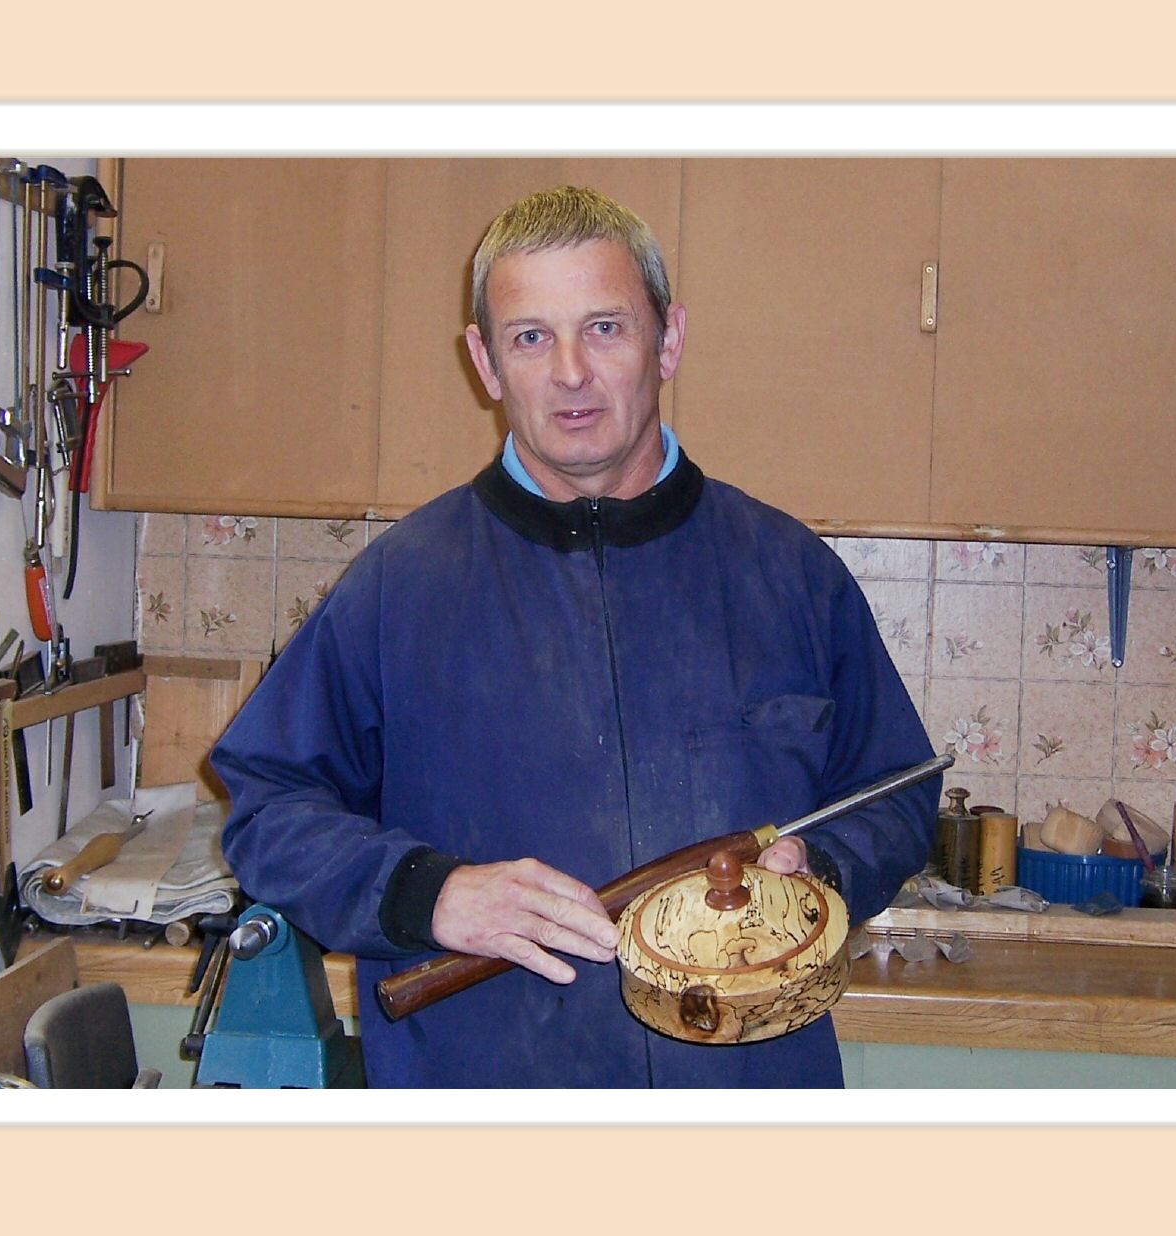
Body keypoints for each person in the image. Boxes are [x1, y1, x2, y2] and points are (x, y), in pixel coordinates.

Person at [211, 186, 938, 1087]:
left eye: (604, 328)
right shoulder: (397, 589)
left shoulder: (789, 573)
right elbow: (270, 805)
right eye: (529, 337)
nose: (569, 373)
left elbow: (899, 791)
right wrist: (427, 893)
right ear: (484, 361)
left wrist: (819, 868)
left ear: (668, 340)